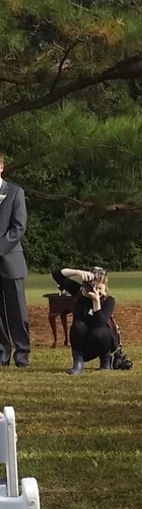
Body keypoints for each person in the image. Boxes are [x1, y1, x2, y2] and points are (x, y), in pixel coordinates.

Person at [51, 267, 118, 374]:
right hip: (84, 342)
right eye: (92, 286)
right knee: (78, 326)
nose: (95, 290)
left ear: (105, 288)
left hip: (103, 340)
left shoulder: (109, 301)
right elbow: (57, 274)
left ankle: (105, 362)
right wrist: (78, 272)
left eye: (99, 288)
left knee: (99, 332)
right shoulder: (79, 292)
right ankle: (78, 363)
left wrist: (96, 300)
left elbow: (100, 323)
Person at [0, 152, 30, 368]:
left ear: (1, 167)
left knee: (17, 311)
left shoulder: (15, 192)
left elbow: (18, 227)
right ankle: (2, 353)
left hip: (10, 261)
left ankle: (22, 353)